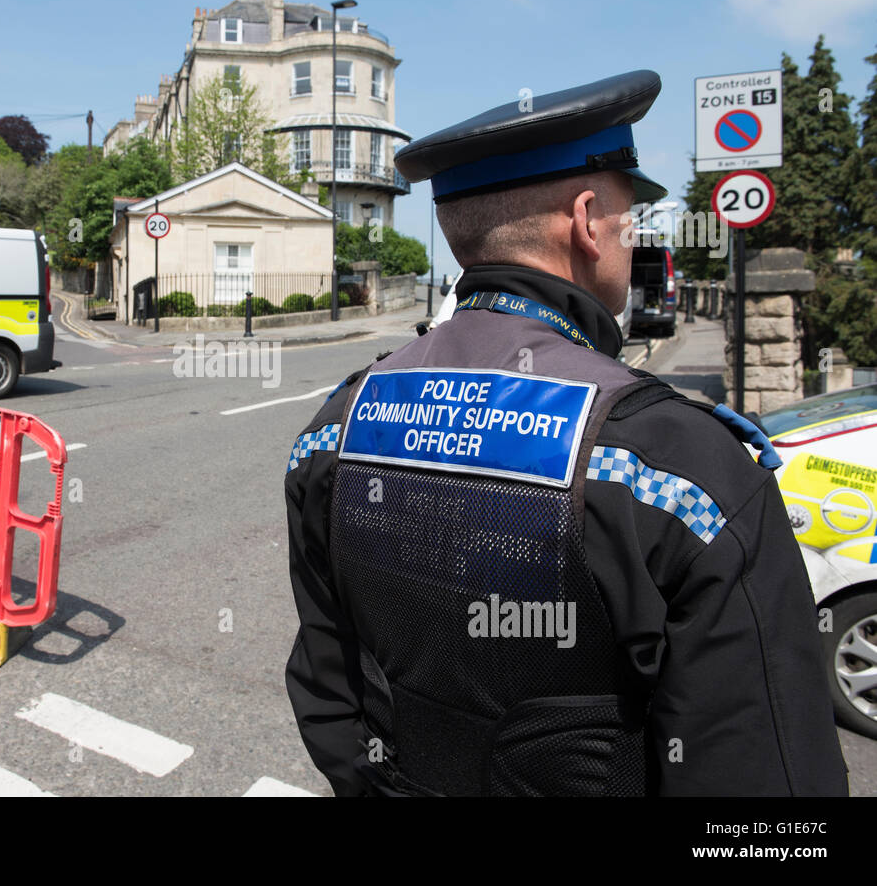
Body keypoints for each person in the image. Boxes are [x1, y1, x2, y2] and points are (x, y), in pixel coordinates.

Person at [284, 70, 849, 796]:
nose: (632, 240)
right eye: (629, 220)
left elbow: (330, 697)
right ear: (587, 221)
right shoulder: (682, 466)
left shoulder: (335, 427)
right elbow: (765, 780)